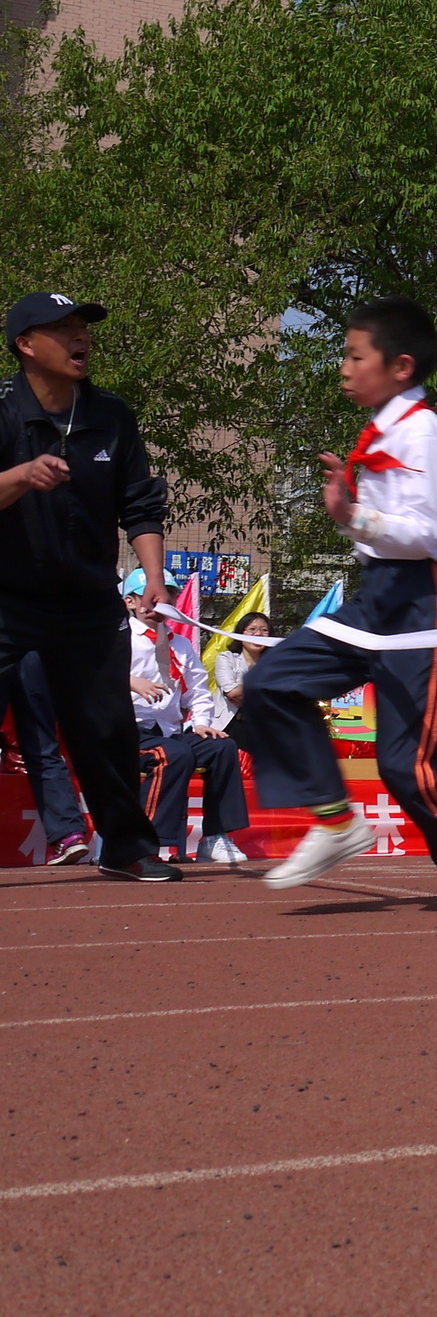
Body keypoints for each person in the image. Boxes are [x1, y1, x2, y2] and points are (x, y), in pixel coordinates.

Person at [244, 297, 437, 910]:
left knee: (407, 761)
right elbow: (383, 530)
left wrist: (354, 514)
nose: (344, 369)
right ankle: (334, 819)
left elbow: (426, 531)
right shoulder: (379, 432)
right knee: (273, 678)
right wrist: (352, 516)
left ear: (400, 365)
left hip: (423, 597)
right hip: (375, 596)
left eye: (356, 356)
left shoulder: (423, 432)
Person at [0, 291, 178, 881]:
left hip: (87, 599)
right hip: (7, 596)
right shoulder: (1, 408)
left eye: (83, 327)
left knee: (105, 727)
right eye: (64, 328)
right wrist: (22, 476)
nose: (81, 337)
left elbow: (140, 503)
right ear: (26, 345)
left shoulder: (111, 413)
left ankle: (127, 848)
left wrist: (153, 576)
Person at [125, 572, 249, 861]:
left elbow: (198, 691)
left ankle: (216, 836)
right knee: (175, 754)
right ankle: (148, 842)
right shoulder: (118, 637)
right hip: (128, 731)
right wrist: (130, 681)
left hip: (169, 732)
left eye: (166, 595)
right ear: (131, 602)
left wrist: (202, 723)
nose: (160, 601)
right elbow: (93, 674)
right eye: (150, 595)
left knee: (222, 747)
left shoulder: (179, 644)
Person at [2, 652, 87, 863]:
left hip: (19, 647)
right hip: (34, 650)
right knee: (43, 747)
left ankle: (68, 834)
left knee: (43, 747)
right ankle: (69, 835)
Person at [213, 610, 273, 713]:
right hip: (227, 723)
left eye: (264, 630)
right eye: (252, 629)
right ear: (240, 634)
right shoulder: (226, 658)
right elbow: (232, 692)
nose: (258, 634)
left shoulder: (273, 663)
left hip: (260, 721)